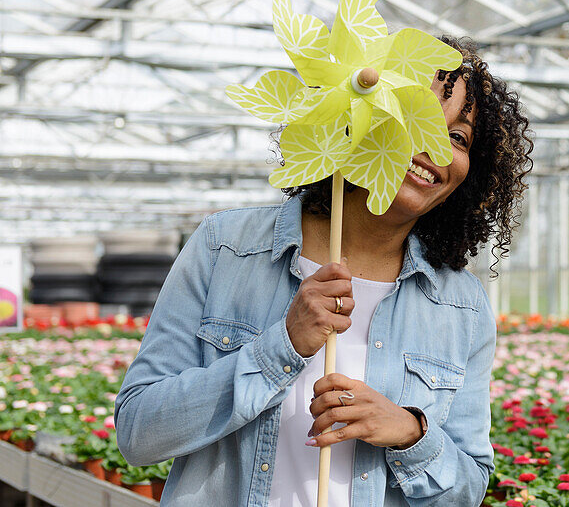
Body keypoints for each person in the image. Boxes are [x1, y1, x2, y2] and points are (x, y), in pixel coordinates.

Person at [114, 36, 533, 507]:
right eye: (418, 113)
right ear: (361, 117)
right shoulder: (225, 247)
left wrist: (410, 433)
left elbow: (468, 489)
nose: (437, 145)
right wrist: (281, 346)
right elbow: (138, 432)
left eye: (458, 137)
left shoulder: (460, 304)